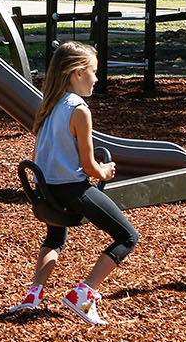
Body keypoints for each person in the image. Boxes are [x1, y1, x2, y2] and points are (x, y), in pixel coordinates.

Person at [9, 41, 138, 325]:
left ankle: (33, 295)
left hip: (47, 191)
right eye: (93, 71)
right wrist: (103, 172)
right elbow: (89, 165)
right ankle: (85, 292)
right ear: (77, 73)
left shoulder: (48, 105)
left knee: (55, 238)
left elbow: (37, 155)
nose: (96, 78)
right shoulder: (79, 110)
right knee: (128, 237)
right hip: (71, 190)